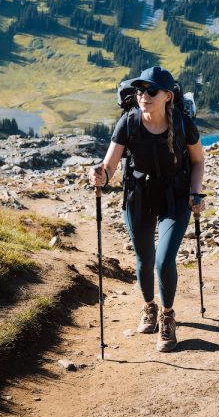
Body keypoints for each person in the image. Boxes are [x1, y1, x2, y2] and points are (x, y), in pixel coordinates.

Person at [88, 66, 205, 352]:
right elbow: (110, 165)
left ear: (167, 96)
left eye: (151, 90)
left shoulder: (182, 123)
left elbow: (198, 161)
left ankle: (167, 316)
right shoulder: (128, 122)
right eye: (140, 90)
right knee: (144, 257)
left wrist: (195, 192)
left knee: (164, 260)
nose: (144, 95)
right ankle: (148, 307)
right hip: (138, 198)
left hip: (175, 198)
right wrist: (100, 175)